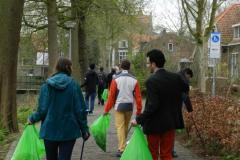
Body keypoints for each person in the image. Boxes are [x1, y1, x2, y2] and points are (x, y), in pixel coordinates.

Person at [131, 49, 189, 160]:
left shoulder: (151, 81)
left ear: (153, 64)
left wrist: (138, 119)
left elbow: (153, 105)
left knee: (152, 153)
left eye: (148, 63)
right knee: (166, 154)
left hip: (154, 124)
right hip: (170, 122)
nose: (148, 66)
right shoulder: (176, 77)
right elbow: (185, 88)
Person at [28, 58, 90, 160]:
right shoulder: (74, 85)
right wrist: (84, 130)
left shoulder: (46, 86)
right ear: (67, 67)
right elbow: (80, 110)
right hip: (69, 130)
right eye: (71, 66)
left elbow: (42, 110)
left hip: (50, 130)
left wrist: (32, 119)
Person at [103, 59, 142, 157]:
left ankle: (121, 148)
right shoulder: (135, 80)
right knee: (125, 126)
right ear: (129, 67)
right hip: (129, 106)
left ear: (121, 67)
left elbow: (111, 96)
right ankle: (123, 145)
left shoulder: (115, 79)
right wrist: (139, 111)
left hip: (119, 106)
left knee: (120, 127)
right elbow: (138, 97)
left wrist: (106, 110)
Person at [172, 68, 193, 157]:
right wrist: (190, 110)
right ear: (187, 74)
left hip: (165, 106)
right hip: (175, 108)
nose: (188, 79)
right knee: (172, 129)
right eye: (189, 77)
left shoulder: (174, 76)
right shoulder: (183, 81)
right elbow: (185, 97)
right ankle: (171, 150)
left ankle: (164, 150)